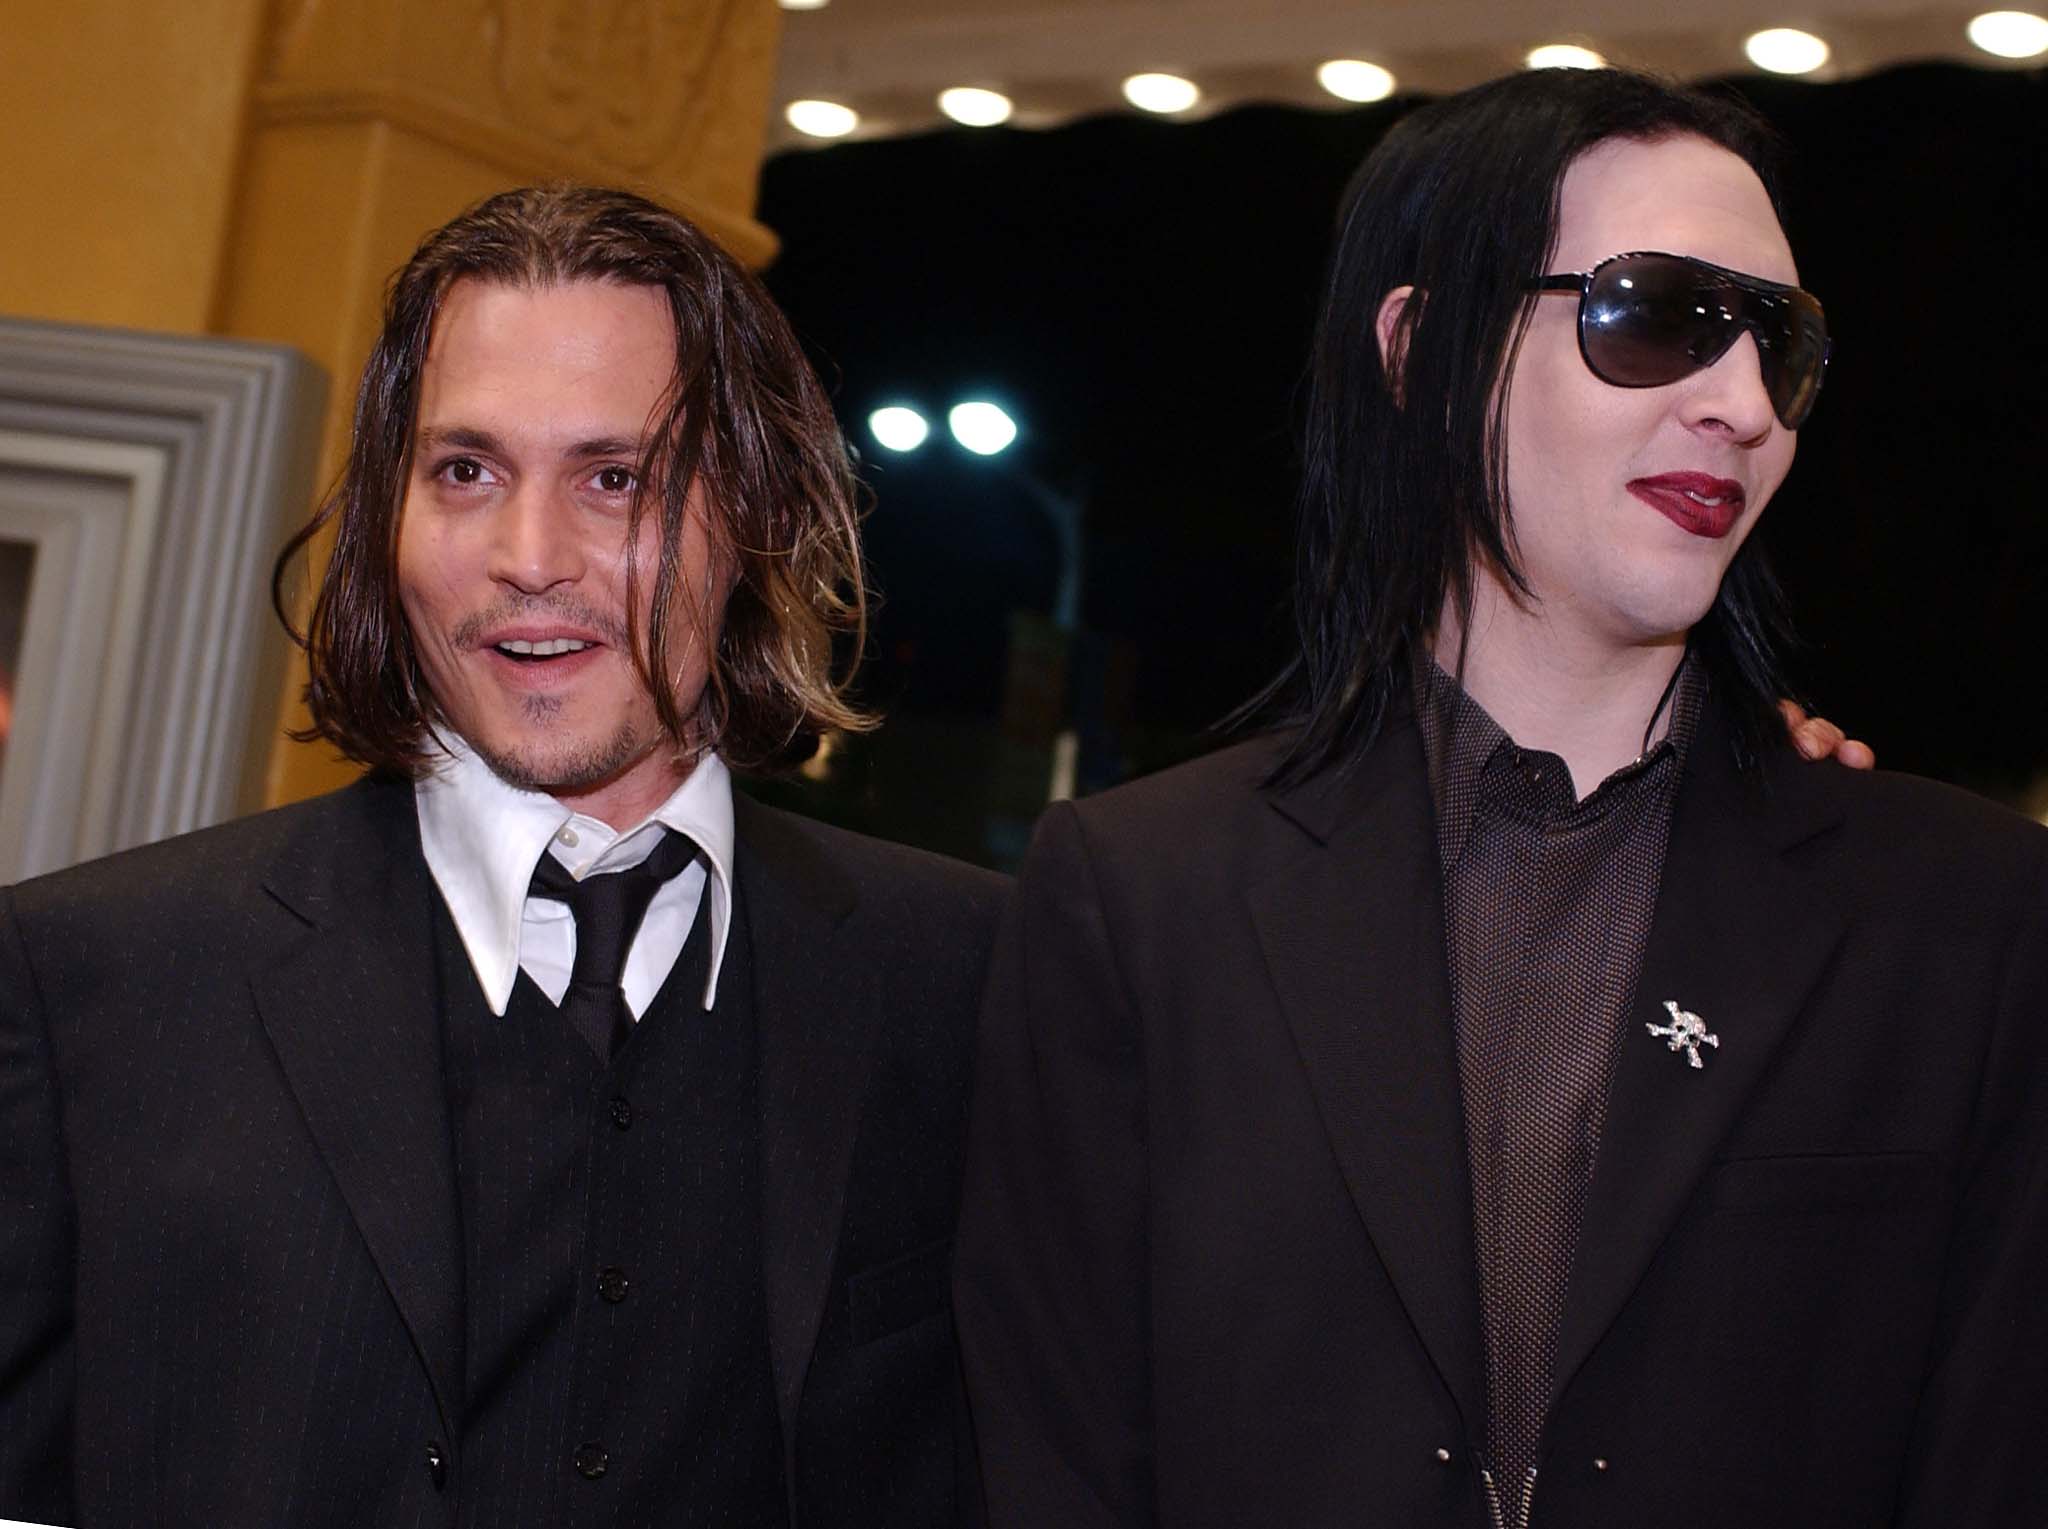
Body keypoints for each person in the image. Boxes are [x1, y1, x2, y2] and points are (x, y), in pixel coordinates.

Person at [955, 69, 2046, 1529]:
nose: (1737, 405)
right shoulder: (1142, 899)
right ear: (1422, 348)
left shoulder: (1965, 916)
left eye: (1779, 344)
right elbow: (1052, 1465)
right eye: (1653, 313)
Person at [0, 186, 1004, 1528]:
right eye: (464, 470)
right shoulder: (89, 983)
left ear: (753, 513)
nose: (530, 558)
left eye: (617, 478)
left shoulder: (970, 975)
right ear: (387, 519)